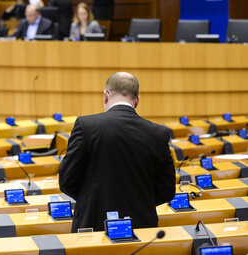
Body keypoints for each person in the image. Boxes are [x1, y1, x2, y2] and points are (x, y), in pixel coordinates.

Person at [59, 72, 176, 232]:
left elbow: (66, 180)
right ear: (137, 100)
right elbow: (167, 190)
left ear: (105, 96)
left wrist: (91, 200)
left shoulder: (86, 126)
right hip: (141, 225)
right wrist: (140, 202)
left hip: (93, 223)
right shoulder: (158, 133)